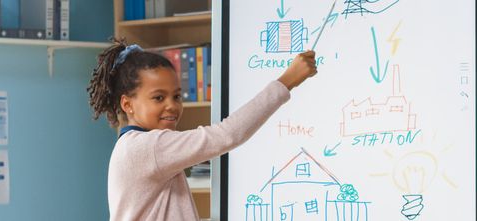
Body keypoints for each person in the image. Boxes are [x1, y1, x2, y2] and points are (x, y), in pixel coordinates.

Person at [87, 38, 317, 220]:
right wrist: (286, 81)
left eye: (176, 96)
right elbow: (227, 134)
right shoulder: (149, 147)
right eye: (158, 97)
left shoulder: (137, 145)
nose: (172, 106)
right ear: (127, 104)